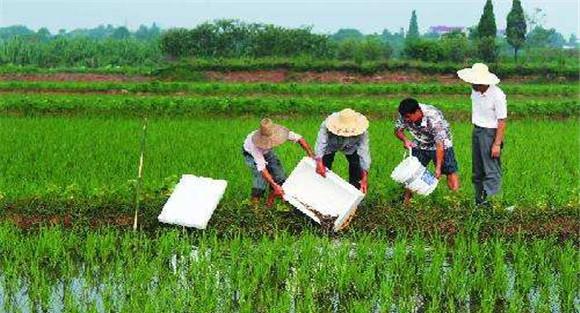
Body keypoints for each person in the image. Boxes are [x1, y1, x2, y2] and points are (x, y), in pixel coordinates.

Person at [457, 63, 507, 206]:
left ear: (484, 82)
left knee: (491, 171)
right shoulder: (475, 91)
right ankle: (480, 203)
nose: (472, 84)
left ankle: (494, 202)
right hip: (477, 131)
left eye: (475, 82)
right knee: (477, 171)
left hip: (490, 134)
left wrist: (497, 144)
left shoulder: (498, 95)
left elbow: (502, 120)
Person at [394, 98, 460, 205]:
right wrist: (405, 140)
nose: (406, 120)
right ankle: (406, 204)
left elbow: (439, 144)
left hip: (441, 143)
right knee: (412, 172)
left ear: (417, 112)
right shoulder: (405, 114)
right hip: (420, 142)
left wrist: (438, 168)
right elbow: (397, 130)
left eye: (408, 117)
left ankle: (455, 202)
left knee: (449, 170)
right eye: (404, 117)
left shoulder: (433, 117)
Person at [242, 118, 314, 206]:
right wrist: (274, 185)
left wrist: (311, 155)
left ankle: (269, 204)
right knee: (260, 181)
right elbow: (262, 168)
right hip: (251, 155)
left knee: (279, 176)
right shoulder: (254, 144)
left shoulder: (280, 132)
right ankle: (255, 208)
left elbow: (299, 138)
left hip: (267, 152)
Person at [314, 108, 371, 193]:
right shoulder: (327, 125)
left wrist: (365, 177)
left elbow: (364, 152)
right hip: (331, 145)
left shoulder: (362, 132)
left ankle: (354, 192)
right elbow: (321, 143)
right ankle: (321, 191)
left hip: (351, 147)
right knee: (323, 167)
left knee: (357, 167)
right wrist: (319, 162)